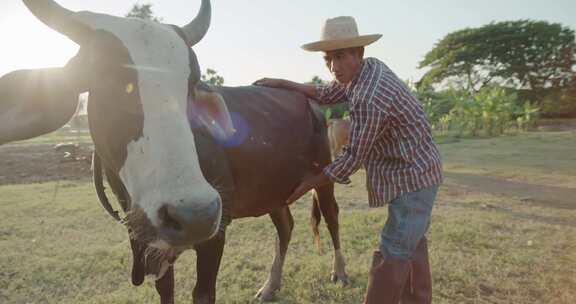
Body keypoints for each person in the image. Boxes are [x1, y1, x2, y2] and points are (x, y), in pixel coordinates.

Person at [254, 16, 443, 303]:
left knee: (394, 248)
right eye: (328, 59)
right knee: (411, 243)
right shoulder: (368, 70)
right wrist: (282, 83)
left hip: (413, 177)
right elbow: (327, 92)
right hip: (416, 170)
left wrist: (307, 185)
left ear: (358, 53)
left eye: (340, 57)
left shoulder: (369, 94)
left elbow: (353, 157)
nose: (334, 67)